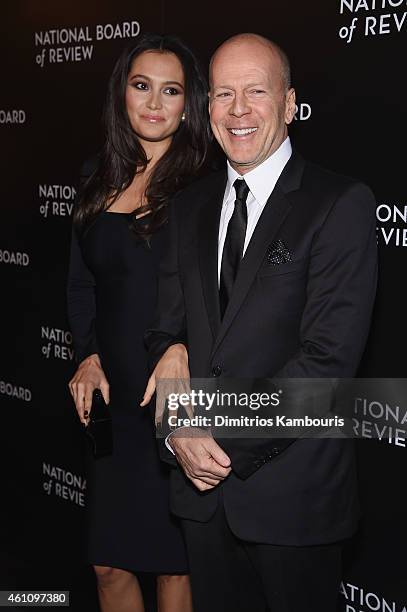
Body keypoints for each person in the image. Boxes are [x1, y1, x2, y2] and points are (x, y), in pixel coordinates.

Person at [143, 33, 378, 612]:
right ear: (208, 108)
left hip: (291, 501)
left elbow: (327, 363)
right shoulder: (189, 207)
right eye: (224, 93)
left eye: (256, 91)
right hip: (200, 502)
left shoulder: (338, 204)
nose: (239, 109)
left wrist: (207, 437)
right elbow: (163, 329)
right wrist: (174, 405)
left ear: (291, 102)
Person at [67, 33, 209, 612]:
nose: (154, 103)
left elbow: (220, 292)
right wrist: (87, 353)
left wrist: (182, 347)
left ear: (188, 101)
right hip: (112, 402)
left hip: (174, 394)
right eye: (141, 85)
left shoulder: (207, 182)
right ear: (121, 93)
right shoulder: (96, 176)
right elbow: (82, 286)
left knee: (175, 567)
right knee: (108, 563)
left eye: (170, 90)